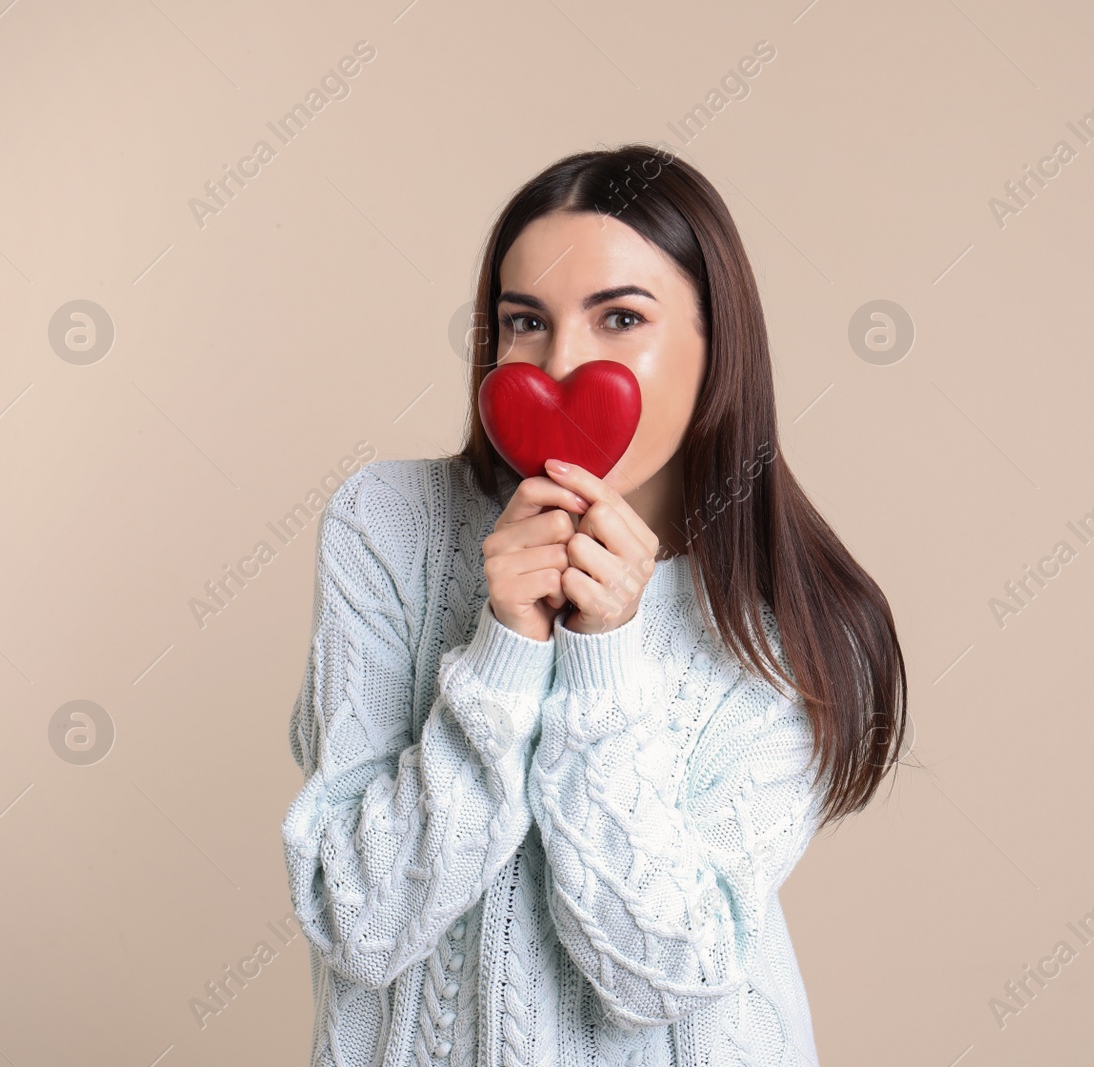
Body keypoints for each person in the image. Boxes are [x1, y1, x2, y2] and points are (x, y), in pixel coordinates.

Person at [281, 143, 908, 1066]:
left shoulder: (806, 628)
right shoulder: (389, 526)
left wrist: (603, 658)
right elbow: (359, 919)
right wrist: (502, 652)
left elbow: (661, 975)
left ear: (717, 345)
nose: (565, 361)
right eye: (524, 321)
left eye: (621, 317)